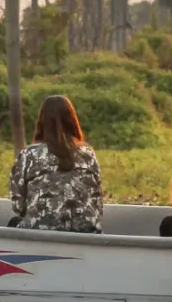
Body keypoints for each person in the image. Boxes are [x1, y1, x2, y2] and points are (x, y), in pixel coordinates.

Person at [9, 95, 104, 233]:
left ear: (42, 122)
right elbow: (98, 204)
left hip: (40, 230)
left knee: (14, 222)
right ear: (72, 121)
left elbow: (18, 206)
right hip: (86, 231)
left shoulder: (29, 154)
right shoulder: (88, 153)